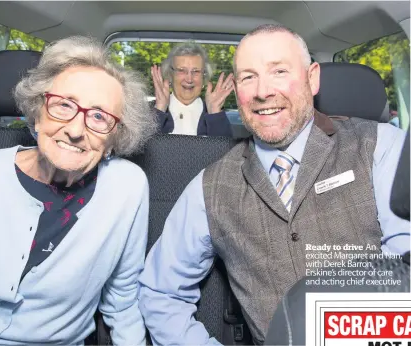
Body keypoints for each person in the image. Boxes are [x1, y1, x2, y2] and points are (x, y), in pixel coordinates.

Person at [138, 24, 410, 345]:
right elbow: (160, 292)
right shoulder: (209, 188)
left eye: (278, 71)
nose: (262, 91)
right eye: (248, 77)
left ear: (312, 78)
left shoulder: (381, 145)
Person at [0, 36, 157, 345]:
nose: (74, 130)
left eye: (99, 116)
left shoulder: (127, 187)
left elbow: (123, 300)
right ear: (38, 111)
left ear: (115, 138)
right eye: (64, 105)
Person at [152, 41, 234, 136]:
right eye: (181, 70)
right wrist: (160, 110)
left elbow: (227, 150)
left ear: (204, 77)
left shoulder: (215, 113)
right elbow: (142, 149)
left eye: (196, 71)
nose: (189, 79)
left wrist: (214, 113)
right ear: (170, 75)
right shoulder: (153, 111)